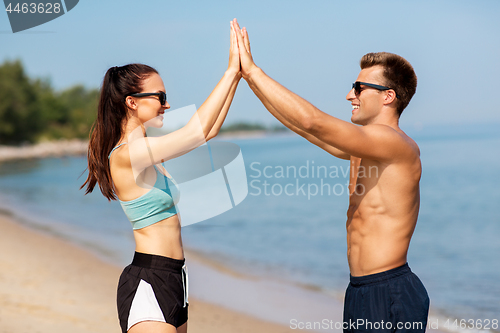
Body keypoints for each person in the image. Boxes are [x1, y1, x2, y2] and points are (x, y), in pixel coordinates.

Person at [231, 18, 429, 332]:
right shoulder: (365, 147)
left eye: (359, 88)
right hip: (361, 290)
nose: (350, 95)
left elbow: (312, 121)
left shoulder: (395, 144)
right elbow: (301, 127)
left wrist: (254, 70)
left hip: (389, 291)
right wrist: (244, 76)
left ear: (388, 96)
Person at [81, 23, 241, 333]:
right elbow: (195, 132)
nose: (167, 104)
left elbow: (208, 131)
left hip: (175, 277)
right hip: (147, 281)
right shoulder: (127, 155)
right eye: (160, 96)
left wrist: (237, 76)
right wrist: (229, 70)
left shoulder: (149, 149)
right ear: (132, 101)